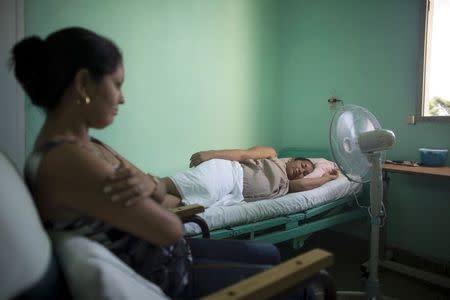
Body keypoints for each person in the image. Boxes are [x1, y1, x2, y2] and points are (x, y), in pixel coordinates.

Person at [12, 27, 315, 299]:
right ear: (82, 84)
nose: (122, 98)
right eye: (117, 84)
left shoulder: (86, 146)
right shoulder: (71, 160)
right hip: (164, 276)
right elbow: (170, 229)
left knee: (272, 252)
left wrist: (150, 191)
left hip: (165, 258)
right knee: (301, 288)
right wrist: (151, 192)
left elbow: (150, 186)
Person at [159, 147, 339, 208]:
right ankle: (137, 183)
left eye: (306, 172)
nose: (302, 172)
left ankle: (135, 204)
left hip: (231, 197)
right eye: (302, 166)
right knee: (166, 186)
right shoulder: (272, 155)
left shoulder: (286, 186)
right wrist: (210, 154)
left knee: (185, 206)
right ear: (292, 159)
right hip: (228, 173)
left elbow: (306, 185)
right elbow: (243, 154)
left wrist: (327, 178)